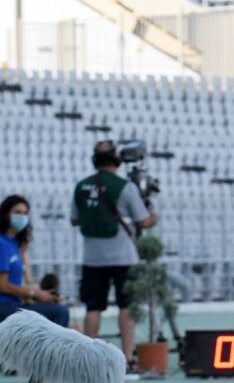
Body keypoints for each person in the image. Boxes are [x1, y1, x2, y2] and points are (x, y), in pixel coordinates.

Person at [70, 140, 158, 364]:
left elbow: (74, 220)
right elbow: (143, 221)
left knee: (93, 308)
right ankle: (127, 357)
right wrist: (154, 216)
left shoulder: (81, 186)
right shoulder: (125, 186)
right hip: (122, 256)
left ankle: (88, 359)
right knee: (126, 306)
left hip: (91, 257)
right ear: (116, 159)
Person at [0, 195, 69, 326]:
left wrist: (40, 294)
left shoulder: (14, 244)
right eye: (17, 212)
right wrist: (34, 293)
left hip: (14, 303)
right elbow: (2, 285)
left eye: (25, 213)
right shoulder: (2, 243)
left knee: (54, 306)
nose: (22, 217)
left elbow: (27, 281)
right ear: (6, 215)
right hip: (4, 306)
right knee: (60, 312)